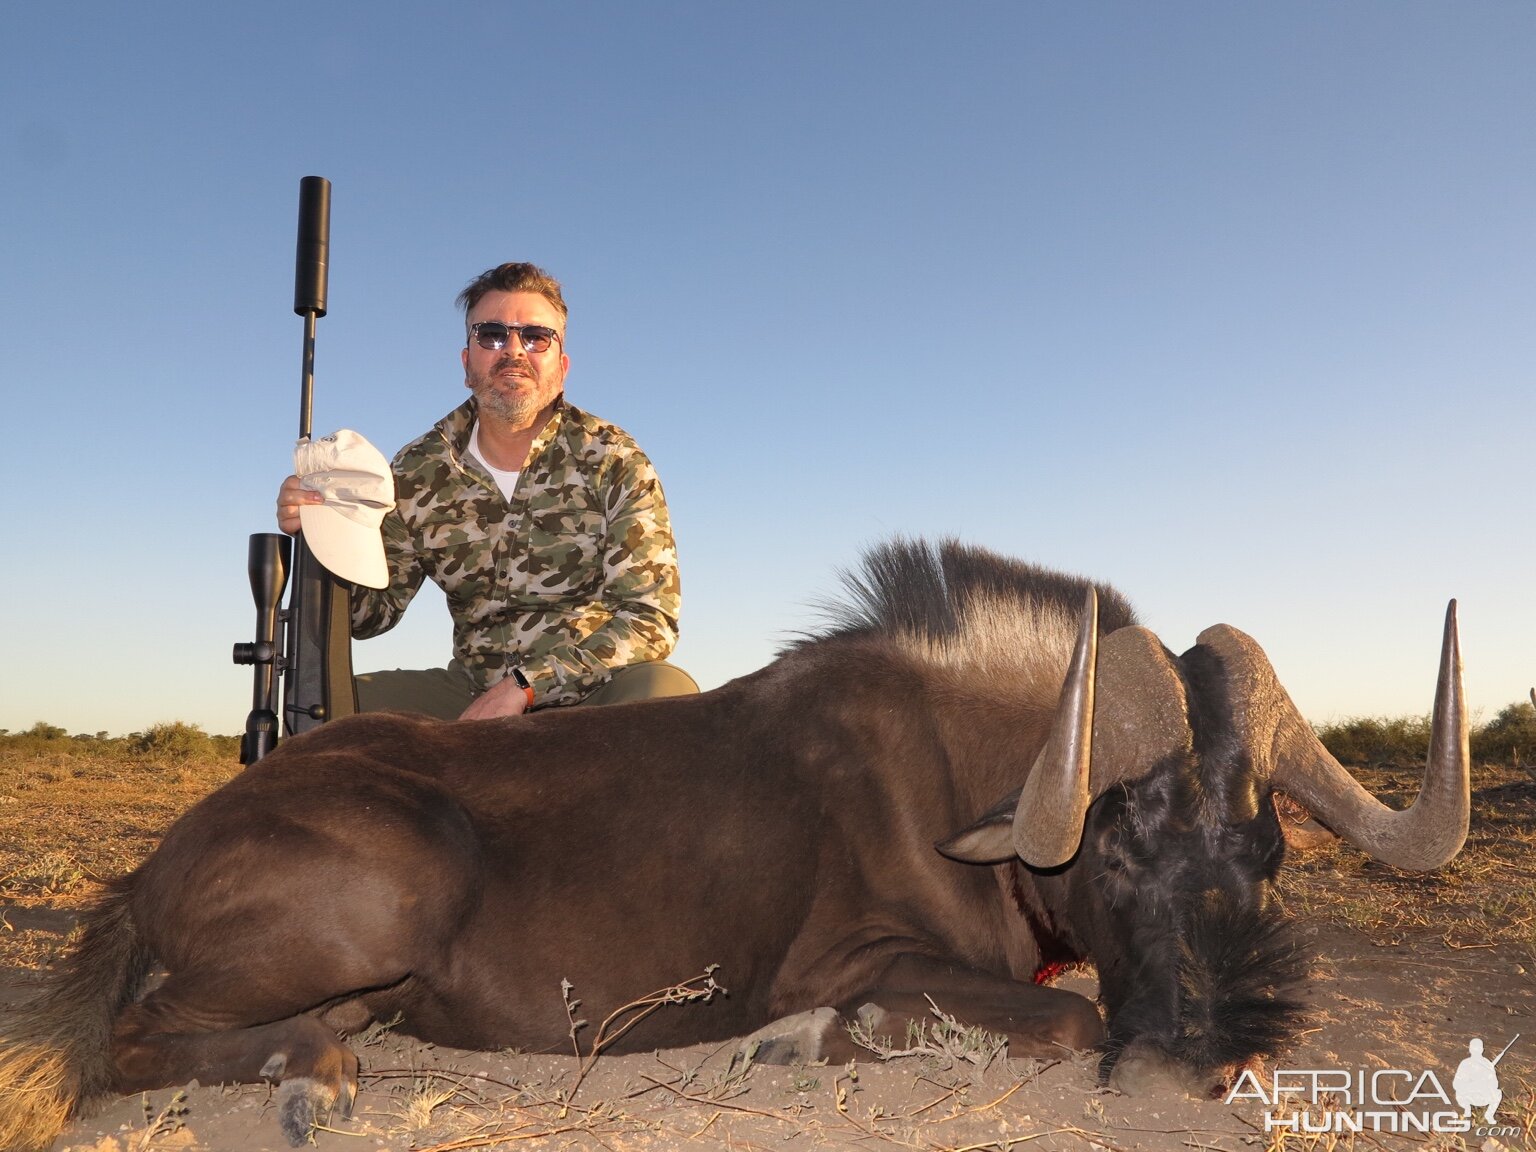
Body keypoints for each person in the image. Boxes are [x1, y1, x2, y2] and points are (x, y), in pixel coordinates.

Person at [276, 262, 696, 720]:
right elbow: (368, 617)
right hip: (471, 693)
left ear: (563, 365)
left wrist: (527, 687)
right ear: (466, 360)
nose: (513, 350)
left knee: (665, 692)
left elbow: (649, 617)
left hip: (594, 691)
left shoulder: (614, 458)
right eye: (492, 334)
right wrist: (325, 528)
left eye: (536, 337)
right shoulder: (417, 471)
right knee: (329, 708)